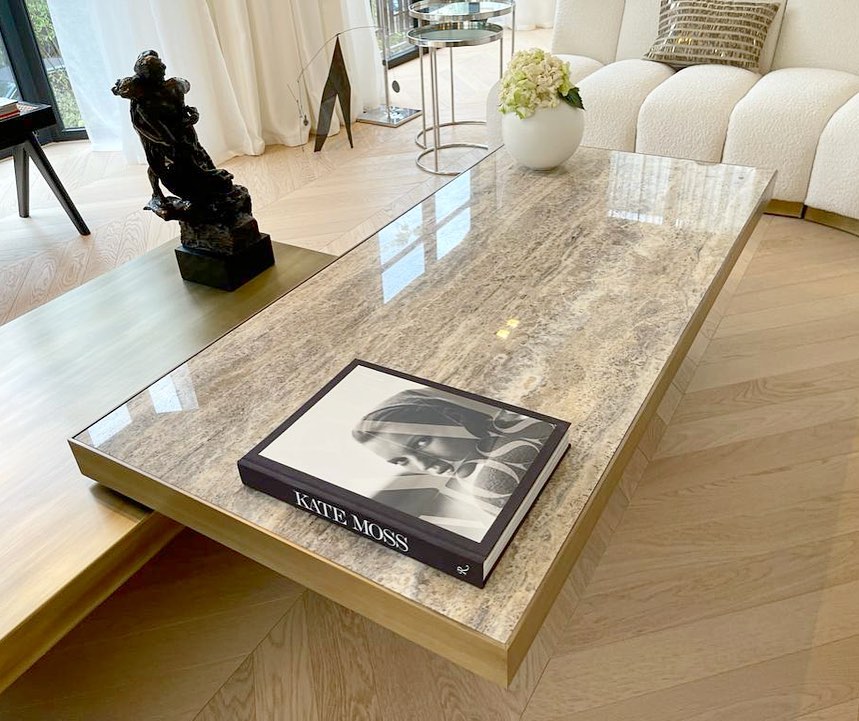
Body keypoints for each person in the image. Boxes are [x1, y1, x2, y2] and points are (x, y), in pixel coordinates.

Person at [353, 387, 554, 512]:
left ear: (455, 418)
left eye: (421, 442)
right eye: (401, 461)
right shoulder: (516, 428)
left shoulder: (493, 485)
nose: (423, 464)